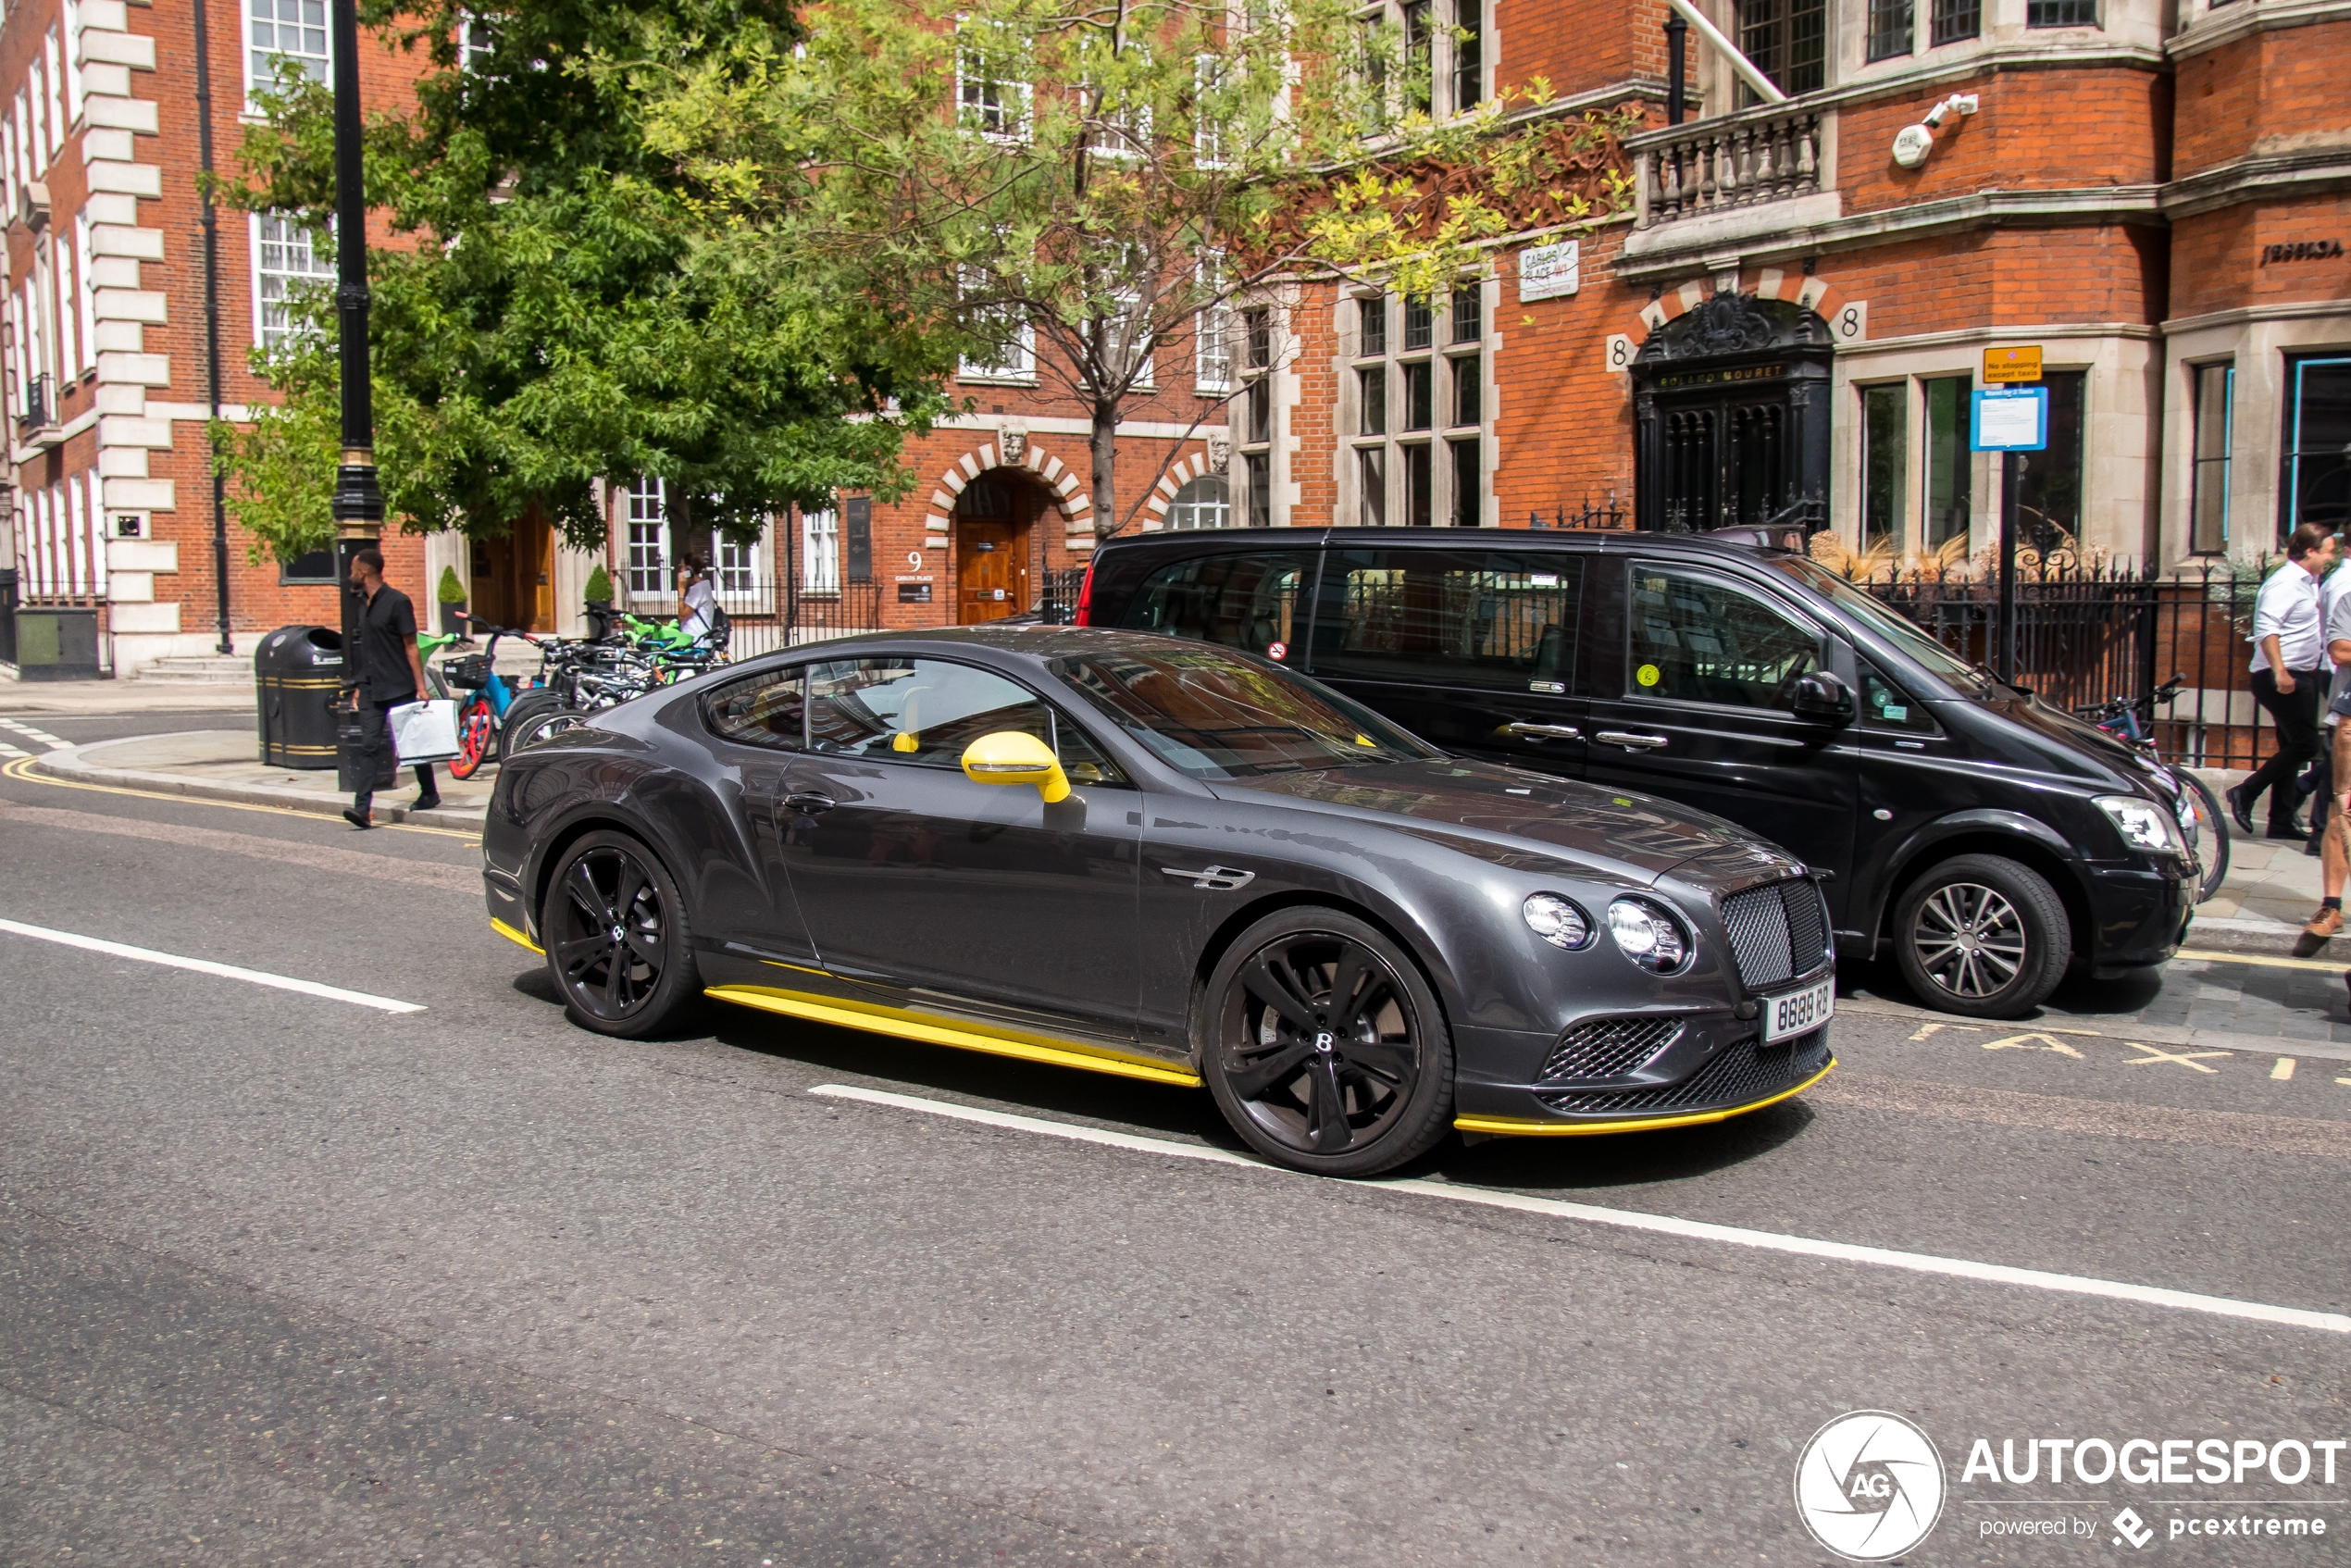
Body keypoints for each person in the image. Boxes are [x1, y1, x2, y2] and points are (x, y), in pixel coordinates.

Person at [2228, 522, 2339, 841]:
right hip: (2282, 675)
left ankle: (2281, 819)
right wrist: (2280, 671)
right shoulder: (2285, 582)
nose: (2330, 558)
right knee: (2307, 745)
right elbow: (2267, 629)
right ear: (2310, 551)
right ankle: (2245, 792)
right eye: (2327, 552)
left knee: (2291, 746)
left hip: (2301, 672)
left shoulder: (2309, 582)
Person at [342, 546, 439, 829]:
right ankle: (362, 808)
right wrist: (360, 685)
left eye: (353, 569)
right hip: (372, 687)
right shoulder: (364, 604)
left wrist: (421, 686)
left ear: (363, 571)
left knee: (412, 744)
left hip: (398, 685)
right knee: (369, 745)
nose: (351, 574)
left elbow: (411, 645)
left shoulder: (397, 602)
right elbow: (367, 650)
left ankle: (430, 792)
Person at [678, 549, 718, 642]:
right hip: (697, 639)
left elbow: (683, 615)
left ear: (688, 570)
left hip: (697, 641)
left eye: (682, 567)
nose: (680, 571)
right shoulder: (702, 586)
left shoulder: (698, 589)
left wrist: (681, 589)